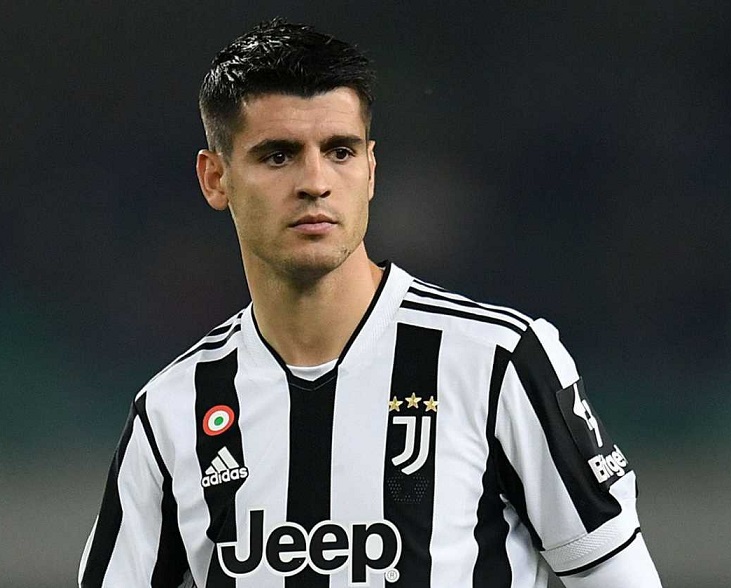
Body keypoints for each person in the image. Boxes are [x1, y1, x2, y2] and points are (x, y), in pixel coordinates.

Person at [78, 18, 663, 588]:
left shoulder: (498, 363)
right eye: (278, 155)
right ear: (215, 179)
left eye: (339, 151)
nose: (315, 182)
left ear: (371, 169)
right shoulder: (173, 409)